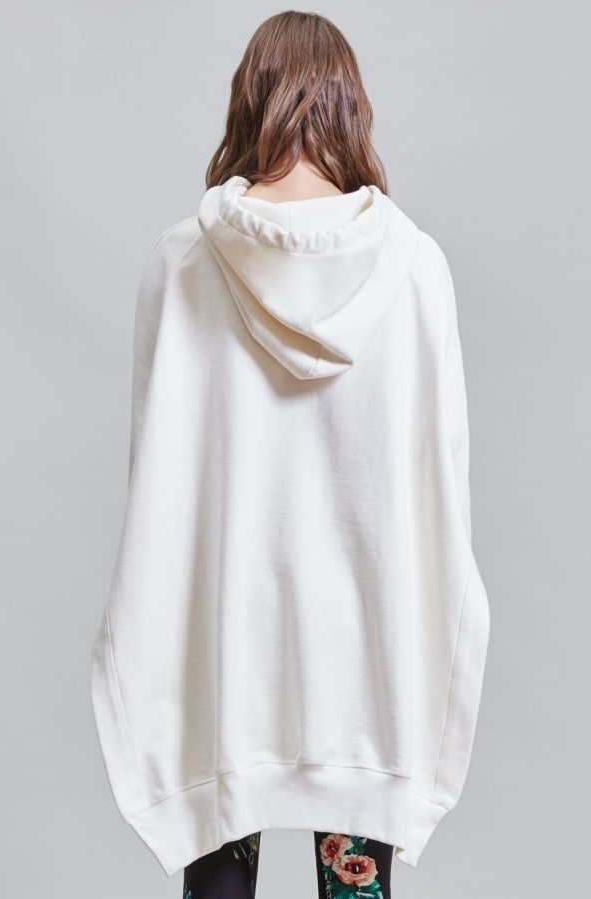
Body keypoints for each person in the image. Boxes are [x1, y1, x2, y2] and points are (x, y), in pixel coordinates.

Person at [90, 11, 491, 898]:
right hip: (367, 665)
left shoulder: (183, 264)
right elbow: (444, 482)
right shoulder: (415, 269)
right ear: (350, 108)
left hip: (222, 658)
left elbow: (157, 485)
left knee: (216, 870)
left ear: (249, 103)